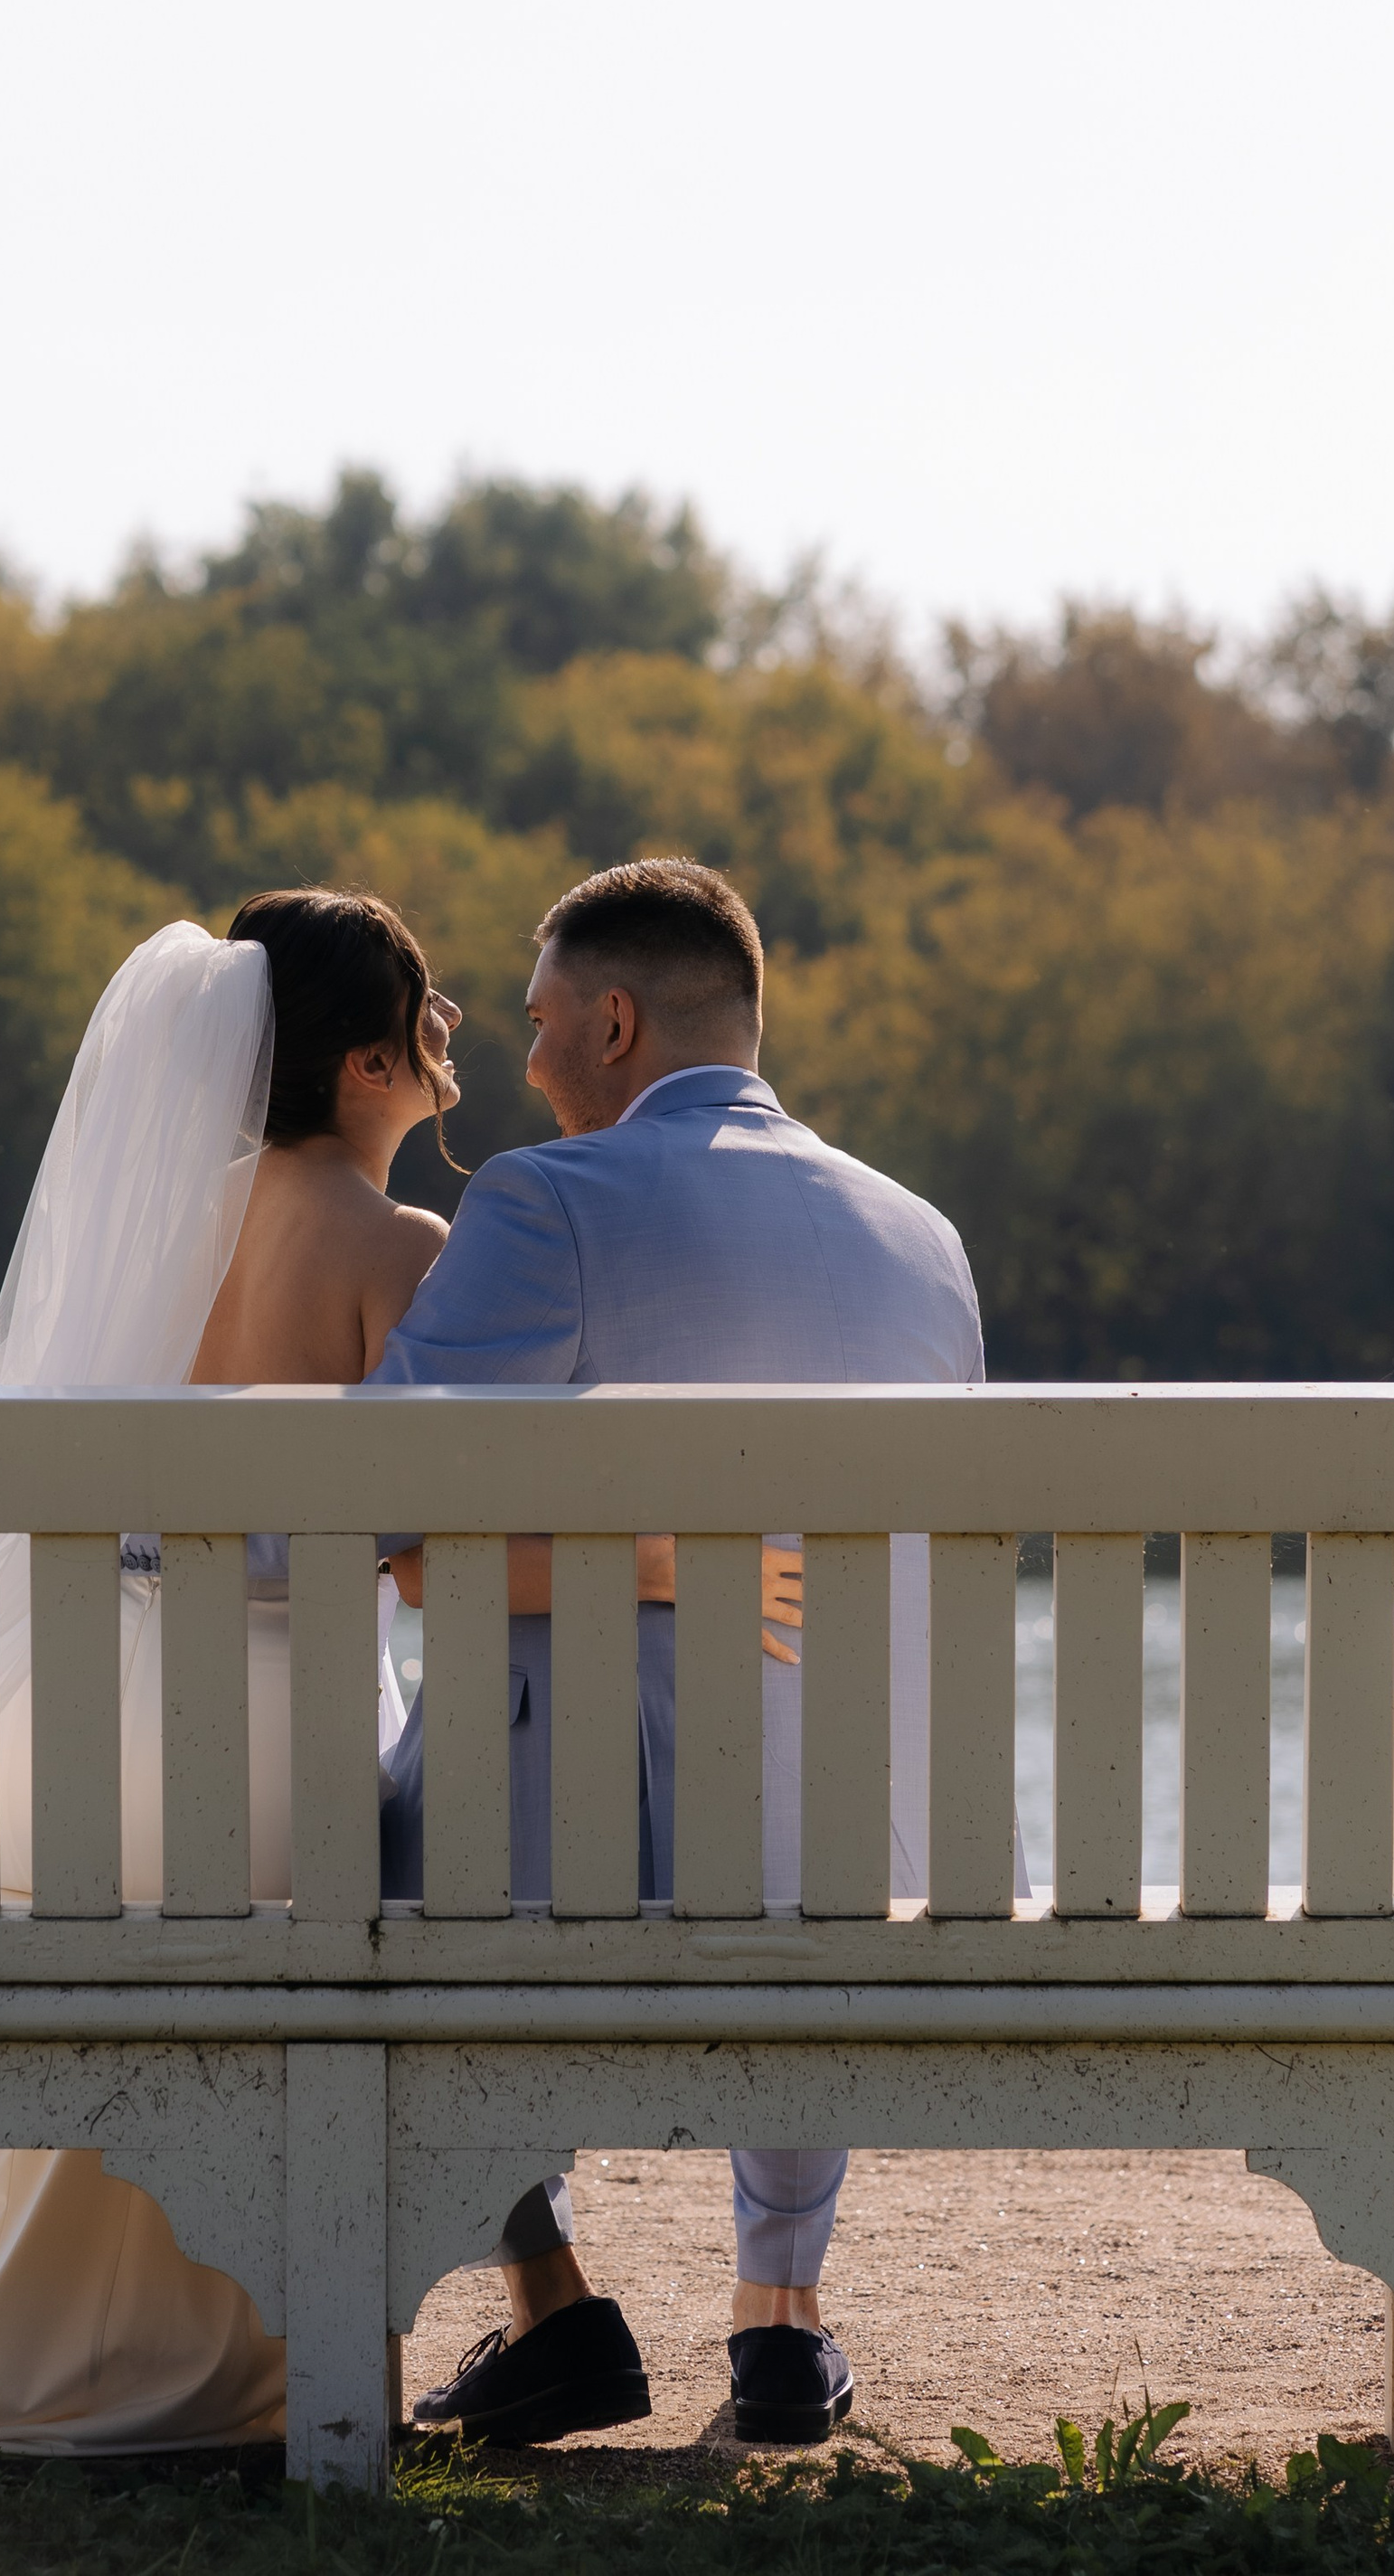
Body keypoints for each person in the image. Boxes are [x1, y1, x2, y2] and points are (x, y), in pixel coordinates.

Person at [0, 891, 462, 2453]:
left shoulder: (162, 1224)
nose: (450, 1034)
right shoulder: (404, 1246)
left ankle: (75, 2351)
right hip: (279, 1714)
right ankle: (254, 2371)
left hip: (111, 1705)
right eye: (427, 1010)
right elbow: (432, 1558)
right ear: (367, 1065)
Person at [372, 857, 984, 2455]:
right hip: (887, 1849)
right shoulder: (923, 1241)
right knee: (797, 1749)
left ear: (617, 1020)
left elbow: (348, 1503)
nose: (526, 1060)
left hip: (610, 1860)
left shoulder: (546, 1200)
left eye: (541, 1021)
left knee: (372, 1817)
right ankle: (779, 2328)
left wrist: (545, 1557)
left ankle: (549, 2297)